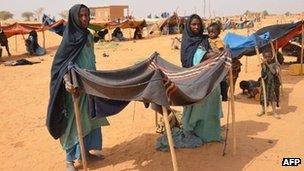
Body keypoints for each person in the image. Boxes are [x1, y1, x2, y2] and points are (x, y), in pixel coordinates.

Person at [46, 4, 109, 171]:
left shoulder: (88, 36)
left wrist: (96, 78)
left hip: (89, 86)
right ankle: (69, 161)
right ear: (74, 17)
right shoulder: (69, 39)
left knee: (90, 119)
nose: (85, 19)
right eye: (81, 16)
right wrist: (67, 81)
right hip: (74, 89)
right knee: (73, 124)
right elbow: (59, 67)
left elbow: (91, 59)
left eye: (87, 15)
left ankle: (85, 153)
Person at [180, 14, 222, 143]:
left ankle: (210, 133)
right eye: (193, 24)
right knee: (195, 105)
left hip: (209, 79)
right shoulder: (186, 41)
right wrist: (208, 55)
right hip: (194, 80)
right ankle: (191, 129)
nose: (196, 26)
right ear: (188, 25)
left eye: (198, 24)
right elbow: (187, 60)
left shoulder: (206, 39)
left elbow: (219, 51)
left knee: (210, 105)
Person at [257, 48, 281, 119]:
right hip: (265, 83)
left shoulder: (275, 64)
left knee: (273, 97)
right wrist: (264, 66)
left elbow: (275, 73)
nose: (268, 58)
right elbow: (263, 75)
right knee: (263, 97)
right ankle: (263, 110)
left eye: (269, 57)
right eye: (266, 57)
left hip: (273, 83)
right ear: (264, 57)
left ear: (272, 56)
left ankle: (274, 112)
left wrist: (267, 64)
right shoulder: (262, 64)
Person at [207, 22, 228, 101]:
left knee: (221, 80)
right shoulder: (210, 40)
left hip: (219, 63)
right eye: (209, 32)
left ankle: (224, 96)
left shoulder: (217, 41)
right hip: (214, 63)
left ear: (218, 32)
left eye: (213, 32)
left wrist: (219, 55)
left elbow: (221, 50)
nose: (211, 34)